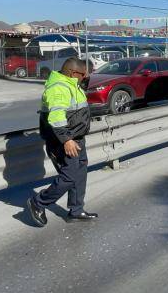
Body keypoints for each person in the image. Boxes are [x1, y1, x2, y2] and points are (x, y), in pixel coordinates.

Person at [27, 57, 98, 226]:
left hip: (77, 139)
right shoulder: (58, 88)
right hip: (63, 141)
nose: (84, 77)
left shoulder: (72, 84)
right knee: (70, 176)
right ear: (72, 73)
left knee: (79, 175)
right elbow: (56, 117)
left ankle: (76, 209)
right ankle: (38, 203)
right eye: (82, 74)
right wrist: (67, 140)